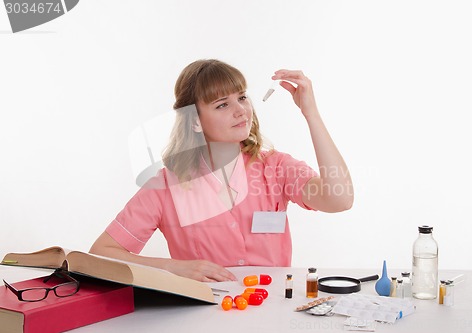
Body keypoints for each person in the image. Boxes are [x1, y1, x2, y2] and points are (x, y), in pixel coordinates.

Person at [90, 59, 353, 282]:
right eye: (222, 104)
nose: (241, 111)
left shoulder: (276, 167)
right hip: (203, 316)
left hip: (271, 311)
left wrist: (311, 114)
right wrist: (173, 268)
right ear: (194, 121)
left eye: (242, 97)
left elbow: (339, 200)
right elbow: (102, 254)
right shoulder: (165, 187)